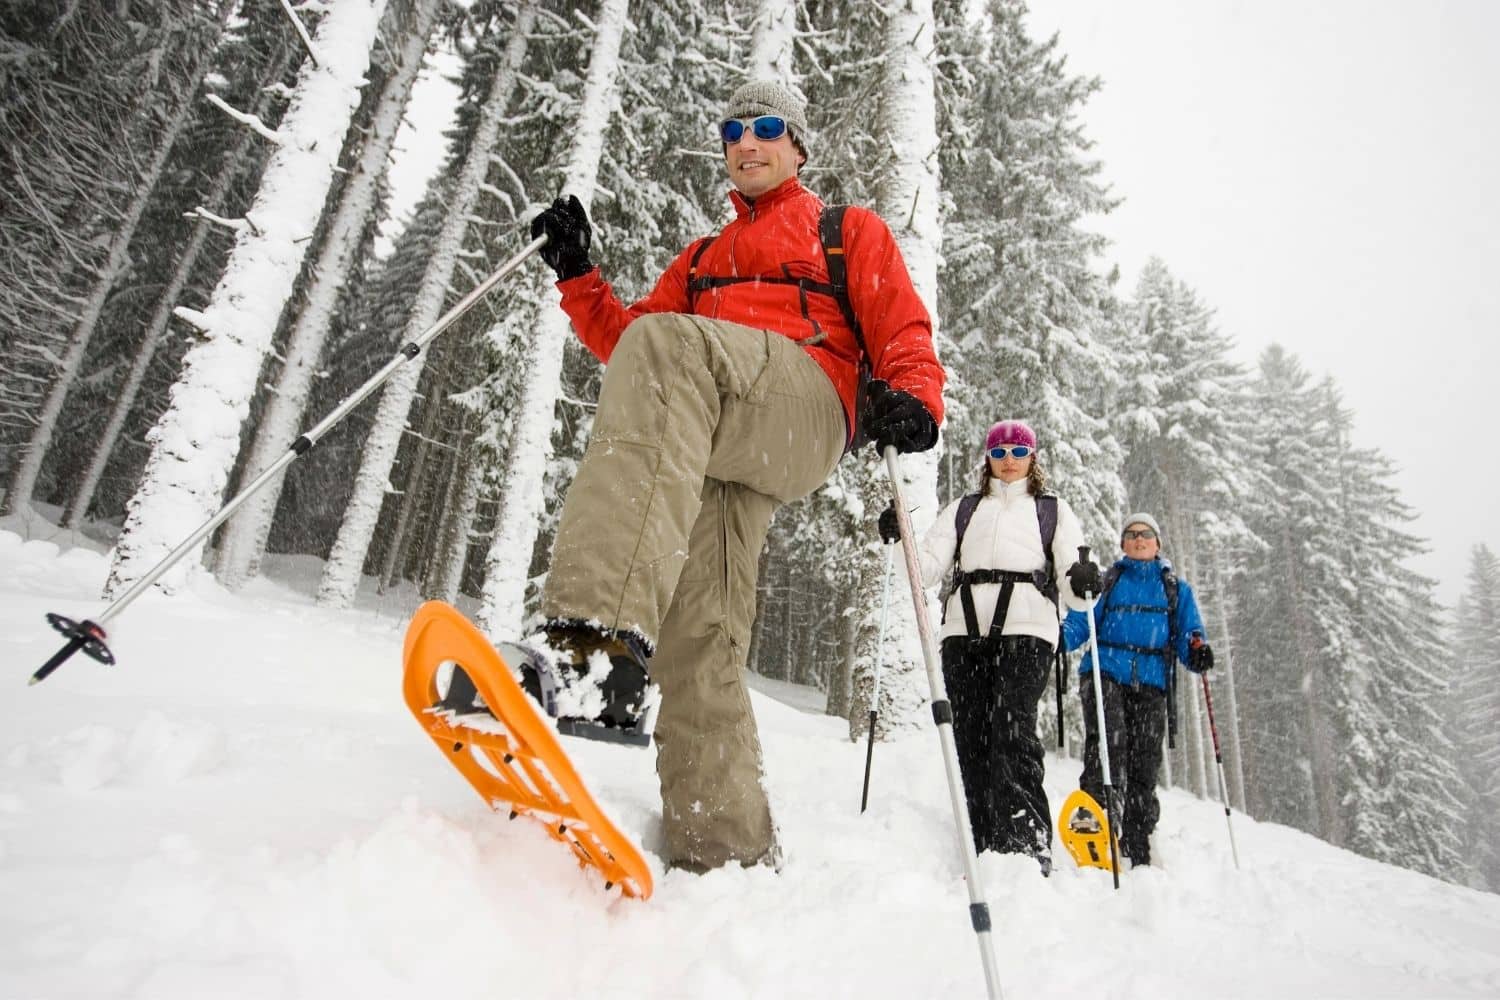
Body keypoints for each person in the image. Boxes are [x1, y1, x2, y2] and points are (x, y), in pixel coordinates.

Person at [524, 80, 945, 872]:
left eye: (766, 127)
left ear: (797, 145)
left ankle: (592, 646)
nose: (747, 141)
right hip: (713, 431)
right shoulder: (703, 258)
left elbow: (901, 324)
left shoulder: (841, 230)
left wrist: (916, 397)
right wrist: (577, 272)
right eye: (733, 129)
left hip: (806, 405)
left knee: (670, 348)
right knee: (701, 633)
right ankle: (724, 848)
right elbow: (630, 350)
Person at [879, 420, 1092, 872]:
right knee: (971, 737)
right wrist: (901, 539)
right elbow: (927, 568)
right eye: (999, 452)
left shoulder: (1052, 510)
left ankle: (1024, 844)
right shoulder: (965, 509)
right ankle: (980, 840)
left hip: (1028, 630)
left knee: (1012, 729)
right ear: (988, 459)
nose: (1009, 460)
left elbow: (1073, 588)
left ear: (1033, 457)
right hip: (963, 633)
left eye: (1018, 451)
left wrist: (1082, 581)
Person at [1062, 513, 1214, 867]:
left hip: (1151, 681)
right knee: (1108, 744)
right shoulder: (1108, 581)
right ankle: (1096, 822)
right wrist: (1056, 637)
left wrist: (1197, 651)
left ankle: (1138, 836)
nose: (1139, 539)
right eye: (1131, 534)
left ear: (1157, 543)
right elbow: (1081, 621)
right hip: (1106, 673)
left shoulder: (1175, 589)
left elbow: (1188, 634)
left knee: (1144, 762)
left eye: (1145, 534)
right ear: (1123, 544)